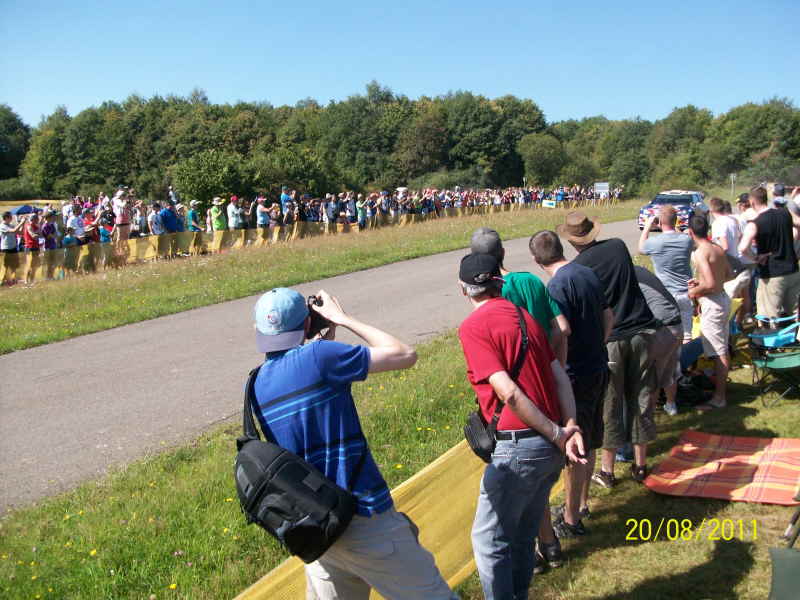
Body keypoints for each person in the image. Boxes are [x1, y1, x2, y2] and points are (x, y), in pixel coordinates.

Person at [249, 287, 455, 600]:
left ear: (259, 331)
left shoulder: (256, 383)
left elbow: (306, 374)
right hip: (364, 517)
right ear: (307, 324)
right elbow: (404, 354)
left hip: (317, 528)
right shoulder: (319, 357)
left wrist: (321, 337)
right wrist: (341, 318)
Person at [457, 252, 584, 600]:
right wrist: (569, 425)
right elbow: (559, 375)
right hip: (548, 446)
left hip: (519, 446)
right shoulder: (523, 315)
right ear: (499, 281)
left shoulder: (473, 327)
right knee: (522, 536)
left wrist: (560, 433)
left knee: (488, 541)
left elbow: (508, 392)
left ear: (463, 289)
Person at [559, 211, 659, 486]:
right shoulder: (617, 246)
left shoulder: (580, 267)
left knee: (611, 405)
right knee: (641, 398)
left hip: (612, 337)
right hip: (641, 330)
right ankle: (640, 465)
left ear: (572, 241)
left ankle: (608, 470)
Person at [530, 230, 613, 540]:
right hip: (598, 365)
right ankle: (581, 504)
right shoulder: (587, 273)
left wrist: (555, 368)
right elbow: (609, 316)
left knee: (574, 448)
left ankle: (570, 517)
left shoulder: (557, 285)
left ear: (537, 260)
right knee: (589, 440)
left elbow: (560, 331)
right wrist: (598, 346)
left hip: (576, 374)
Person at [470, 227, 569, 363]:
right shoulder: (530, 280)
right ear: (503, 252)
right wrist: (549, 361)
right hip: (546, 366)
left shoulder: (484, 293)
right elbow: (562, 328)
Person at [688, 215, 733, 409]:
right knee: (722, 348)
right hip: (722, 299)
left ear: (690, 232)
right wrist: (703, 284)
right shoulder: (717, 247)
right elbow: (729, 274)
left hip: (713, 303)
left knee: (718, 351)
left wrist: (694, 291)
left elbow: (711, 283)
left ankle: (719, 398)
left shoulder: (701, 252)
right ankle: (720, 393)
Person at [738, 186, 800, 319]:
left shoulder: (755, 223)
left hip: (772, 274)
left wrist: (755, 258)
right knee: (795, 314)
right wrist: (792, 241)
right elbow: (798, 224)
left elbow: (742, 248)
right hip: (793, 270)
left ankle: (772, 337)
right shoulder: (785, 212)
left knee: (769, 316)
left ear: (752, 202)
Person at [639, 204, 693, 341]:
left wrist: (647, 227)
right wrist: (674, 225)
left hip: (665, 294)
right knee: (687, 334)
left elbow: (641, 248)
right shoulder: (686, 240)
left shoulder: (655, 242)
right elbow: (682, 237)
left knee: (666, 336)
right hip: (685, 292)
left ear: (660, 222)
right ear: (675, 221)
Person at [633, 265, 683, 416]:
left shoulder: (627, 277)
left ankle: (648, 419)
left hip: (663, 327)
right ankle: (671, 405)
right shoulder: (641, 271)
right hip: (676, 322)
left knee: (653, 377)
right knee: (669, 369)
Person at [1, 212, 24, 285]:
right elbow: (13, 230)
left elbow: (20, 233)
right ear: (6, 218)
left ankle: (12, 280)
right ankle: (2, 281)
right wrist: (21, 222)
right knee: (6, 266)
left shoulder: (11, 225)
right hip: (6, 248)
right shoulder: (2, 226)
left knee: (14, 265)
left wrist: (22, 223)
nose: (12, 218)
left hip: (13, 248)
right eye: (10, 217)